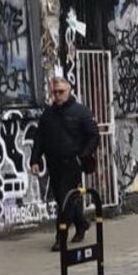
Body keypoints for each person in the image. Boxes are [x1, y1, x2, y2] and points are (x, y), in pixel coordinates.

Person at [31, 76, 99, 251]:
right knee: (66, 199)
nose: (58, 95)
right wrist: (35, 159)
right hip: (54, 164)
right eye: (55, 92)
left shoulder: (81, 112)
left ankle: (60, 238)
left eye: (61, 92)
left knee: (64, 201)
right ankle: (81, 223)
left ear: (69, 91)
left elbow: (93, 136)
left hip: (72, 164)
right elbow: (40, 138)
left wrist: (82, 156)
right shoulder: (48, 114)